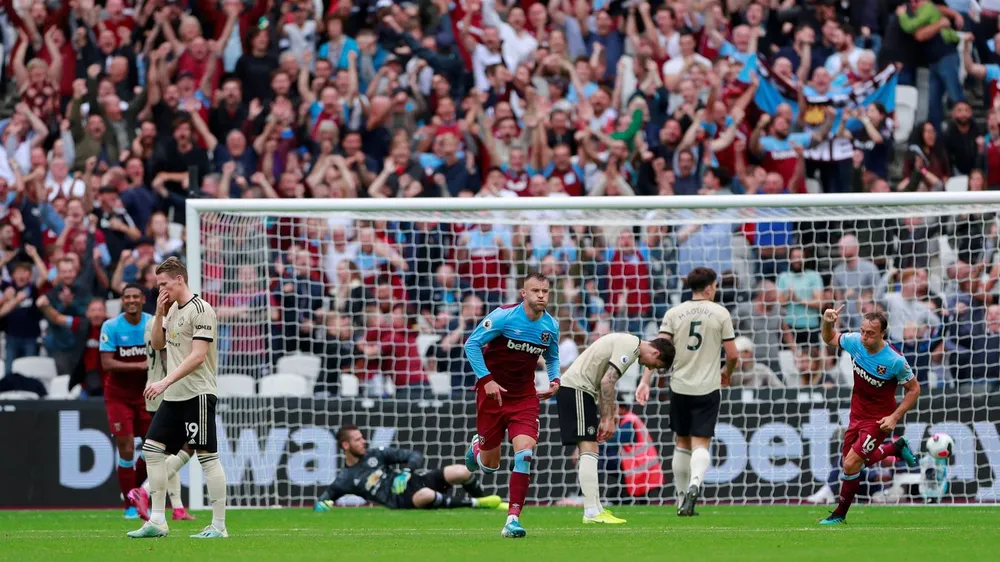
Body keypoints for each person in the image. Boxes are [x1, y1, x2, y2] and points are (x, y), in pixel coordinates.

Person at [128, 258, 227, 539]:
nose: (160, 289)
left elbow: (198, 356)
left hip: (197, 393)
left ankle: (219, 526)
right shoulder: (170, 310)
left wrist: (164, 381)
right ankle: (158, 520)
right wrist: (159, 313)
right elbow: (158, 344)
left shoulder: (201, 309)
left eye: (164, 284)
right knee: (151, 449)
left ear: (179, 279)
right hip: (174, 395)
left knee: (207, 457)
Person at [462, 272, 561, 538]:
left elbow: (552, 357)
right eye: (536, 290)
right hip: (492, 396)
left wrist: (555, 380)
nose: (541, 295)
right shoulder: (503, 316)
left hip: (524, 398)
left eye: (545, 291)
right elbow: (471, 345)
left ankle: (512, 520)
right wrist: (487, 380)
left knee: (525, 455)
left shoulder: (550, 326)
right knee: (490, 465)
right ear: (524, 293)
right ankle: (478, 447)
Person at [635, 267, 738, 517]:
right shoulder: (720, 313)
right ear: (710, 287)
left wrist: (645, 381)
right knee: (701, 443)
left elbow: (657, 350)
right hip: (708, 386)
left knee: (682, 442)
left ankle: (681, 498)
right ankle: (695, 484)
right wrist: (727, 372)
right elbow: (733, 354)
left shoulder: (674, 313)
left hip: (679, 386)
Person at [556, 333, 675, 524]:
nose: (649, 368)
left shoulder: (628, 344)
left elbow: (604, 378)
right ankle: (591, 511)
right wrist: (608, 419)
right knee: (588, 447)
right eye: (655, 365)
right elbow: (607, 381)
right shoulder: (630, 347)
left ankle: (595, 508)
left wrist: (611, 411)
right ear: (655, 352)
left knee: (591, 448)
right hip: (577, 389)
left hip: (582, 390)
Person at [818, 307, 921, 525]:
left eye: (871, 333)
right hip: (856, 414)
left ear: (883, 333)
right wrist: (827, 322)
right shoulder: (855, 342)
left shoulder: (894, 360)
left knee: (850, 465)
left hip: (879, 420)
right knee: (849, 463)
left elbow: (914, 389)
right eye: (863, 331)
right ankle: (894, 448)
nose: (865, 337)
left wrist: (894, 417)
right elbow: (829, 338)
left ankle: (839, 515)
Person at [313, 425, 506, 511]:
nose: (363, 441)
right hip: (401, 500)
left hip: (414, 481)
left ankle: (488, 502)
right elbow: (324, 499)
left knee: (461, 471)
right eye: (357, 440)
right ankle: (476, 504)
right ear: (345, 445)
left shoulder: (375, 454)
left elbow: (414, 455)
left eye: (362, 437)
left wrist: (407, 471)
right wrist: (321, 505)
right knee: (426, 496)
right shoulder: (346, 478)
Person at [127, 284, 196, 522]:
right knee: (191, 444)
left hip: (154, 389)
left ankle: (177, 507)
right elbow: (169, 359)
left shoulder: (151, 323)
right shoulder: (167, 322)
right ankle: (144, 490)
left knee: (169, 451)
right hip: (168, 391)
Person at [98, 283, 152, 519]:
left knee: (153, 448)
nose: (131, 300)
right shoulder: (111, 326)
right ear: (122, 301)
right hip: (118, 395)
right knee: (127, 448)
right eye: (127, 297)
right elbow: (107, 363)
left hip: (147, 394)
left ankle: (133, 492)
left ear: (143, 299)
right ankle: (130, 506)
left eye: (135, 296)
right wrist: (140, 365)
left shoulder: (153, 323)